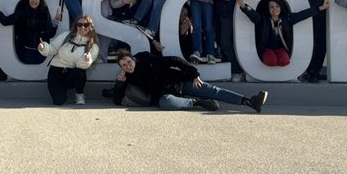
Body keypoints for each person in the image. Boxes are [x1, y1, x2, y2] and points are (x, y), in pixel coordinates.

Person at [112, 46, 269, 112]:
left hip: (180, 83)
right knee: (166, 102)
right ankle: (197, 102)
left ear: (134, 59)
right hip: (166, 95)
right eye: (124, 65)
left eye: (129, 62)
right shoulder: (128, 78)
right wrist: (120, 83)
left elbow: (174, 60)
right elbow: (117, 100)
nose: (128, 66)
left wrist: (194, 73)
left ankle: (249, 102)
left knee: (212, 90)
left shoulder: (147, 60)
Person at [237, 0, 329, 67]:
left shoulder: (287, 19)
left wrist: (320, 8)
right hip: (267, 48)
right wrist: (243, 6)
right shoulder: (263, 20)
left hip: (281, 48)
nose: (275, 9)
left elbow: (302, 15)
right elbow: (253, 15)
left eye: (277, 6)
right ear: (268, 9)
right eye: (272, 7)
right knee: (271, 61)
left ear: (281, 8)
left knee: (284, 62)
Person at [39, 15, 100, 105]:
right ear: (76, 26)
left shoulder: (93, 46)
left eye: (86, 25)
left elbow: (81, 66)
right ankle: (60, 89)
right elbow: (52, 49)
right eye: (79, 24)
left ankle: (79, 94)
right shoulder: (66, 36)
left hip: (72, 74)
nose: (82, 27)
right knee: (58, 101)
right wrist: (43, 47)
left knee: (80, 73)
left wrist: (86, 59)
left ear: (90, 27)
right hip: (56, 71)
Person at [0, 0, 58, 64]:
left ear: (40, 0)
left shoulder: (44, 13)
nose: (34, 1)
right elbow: (6, 21)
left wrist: (55, 22)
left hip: (40, 50)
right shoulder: (22, 12)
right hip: (25, 50)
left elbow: (50, 34)